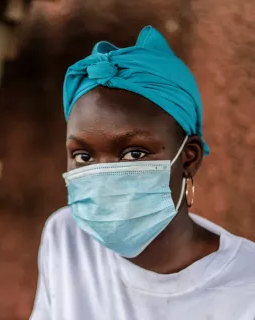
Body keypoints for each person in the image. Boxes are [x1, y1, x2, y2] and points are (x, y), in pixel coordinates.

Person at [30, 26, 255, 320]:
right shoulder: (67, 238)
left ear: (189, 158)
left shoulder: (246, 286)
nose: (104, 175)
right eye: (83, 156)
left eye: (134, 153)